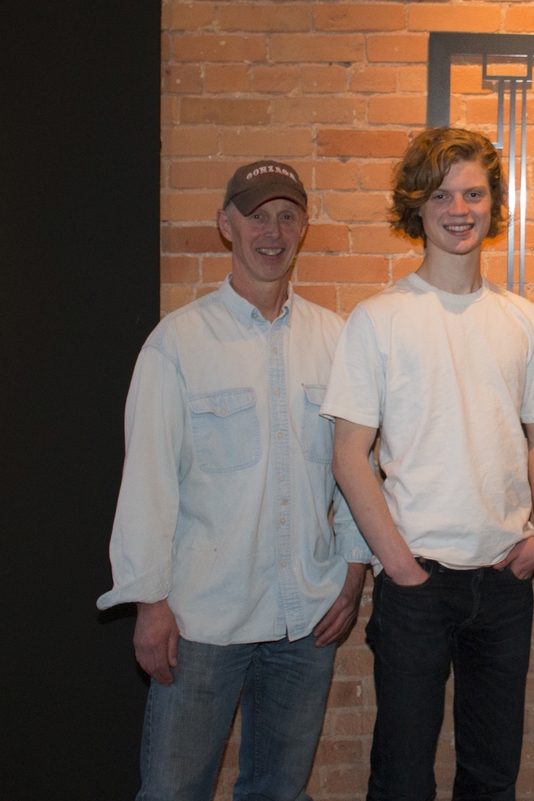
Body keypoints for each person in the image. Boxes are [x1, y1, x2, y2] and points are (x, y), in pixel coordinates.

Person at [98, 160, 371, 801]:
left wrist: (355, 570)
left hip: (306, 620)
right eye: (256, 216)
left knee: (279, 792)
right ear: (226, 224)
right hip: (202, 622)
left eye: (287, 216)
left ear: (304, 227)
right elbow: (147, 486)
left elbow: (359, 466)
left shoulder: (337, 342)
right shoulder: (176, 345)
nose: (272, 232)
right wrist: (150, 605)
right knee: (172, 793)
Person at [321, 127, 534, 801]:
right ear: (417, 205)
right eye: (441, 195)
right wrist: (399, 565)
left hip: (504, 577)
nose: (459, 209)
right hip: (416, 584)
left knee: (492, 775)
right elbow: (348, 454)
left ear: (494, 204)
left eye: (473, 193)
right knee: (402, 778)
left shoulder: (522, 319)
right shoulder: (378, 318)